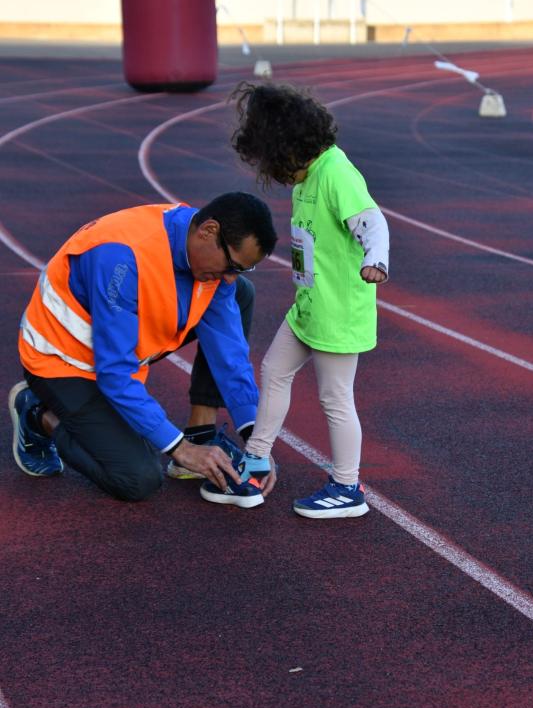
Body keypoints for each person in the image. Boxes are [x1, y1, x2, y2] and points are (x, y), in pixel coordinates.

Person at [9, 192, 278, 504]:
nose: (230, 277)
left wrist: (256, 441)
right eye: (232, 265)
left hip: (119, 346)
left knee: (239, 294)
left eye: (242, 268)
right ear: (209, 231)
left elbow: (230, 353)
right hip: (62, 361)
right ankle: (36, 414)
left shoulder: (204, 250)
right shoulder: (120, 258)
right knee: (138, 478)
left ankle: (200, 433)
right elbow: (115, 375)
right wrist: (179, 448)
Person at [200, 83, 389, 519]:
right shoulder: (308, 176)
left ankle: (347, 487)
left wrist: (376, 260)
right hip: (309, 307)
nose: (273, 171)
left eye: (269, 158)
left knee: (335, 397)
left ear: (286, 145)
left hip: (338, 312)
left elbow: (372, 223)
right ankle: (257, 458)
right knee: (274, 370)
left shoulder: (335, 172)